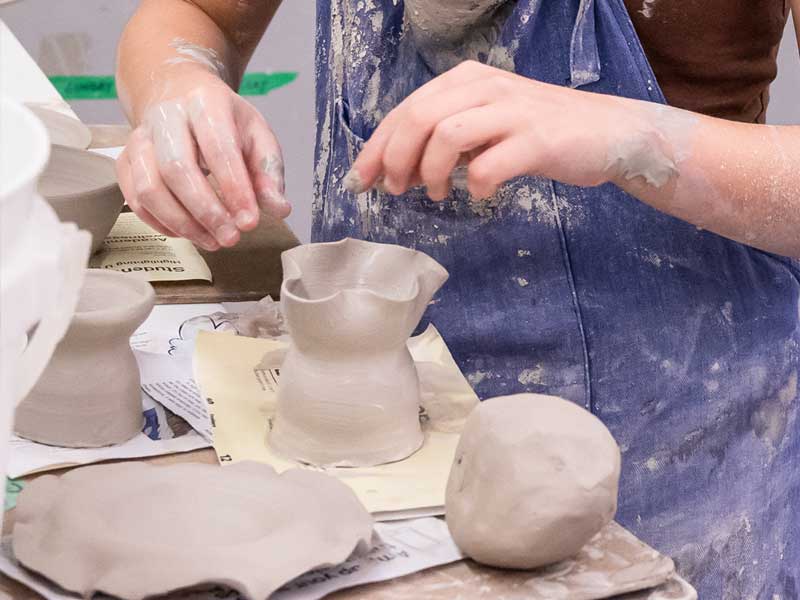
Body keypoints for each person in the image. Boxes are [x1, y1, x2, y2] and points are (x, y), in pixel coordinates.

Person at [116, 1, 800, 596]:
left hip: (671, 452)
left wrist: (637, 139)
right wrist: (176, 83)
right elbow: (190, 16)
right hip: (363, 467)